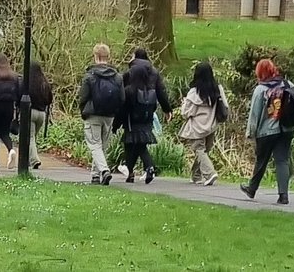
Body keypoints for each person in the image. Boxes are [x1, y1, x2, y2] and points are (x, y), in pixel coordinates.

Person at [241, 59, 294, 205]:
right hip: (286, 129)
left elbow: (254, 114)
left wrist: (250, 133)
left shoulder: (260, 90)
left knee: (261, 160)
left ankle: (252, 189)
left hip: (267, 131)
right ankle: (283, 195)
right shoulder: (287, 84)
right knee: (282, 161)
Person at [114, 53, 172, 184]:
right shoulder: (153, 74)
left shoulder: (129, 85)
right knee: (138, 143)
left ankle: (146, 167)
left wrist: (116, 124)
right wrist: (167, 109)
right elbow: (161, 92)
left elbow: (122, 105)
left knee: (134, 143)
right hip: (147, 114)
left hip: (132, 118)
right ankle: (131, 172)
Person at [78, 43, 125, 185]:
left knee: (95, 144)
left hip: (93, 114)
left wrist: (83, 111)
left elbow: (83, 97)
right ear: (108, 56)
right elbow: (122, 98)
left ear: (96, 56)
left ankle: (104, 171)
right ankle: (95, 175)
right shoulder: (117, 77)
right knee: (102, 146)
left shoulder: (90, 76)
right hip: (109, 115)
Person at [179, 61, 228, 186]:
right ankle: (196, 176)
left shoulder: (194, 92)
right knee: (203, 151)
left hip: (197, 126)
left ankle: (210, 174)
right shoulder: (218, 89)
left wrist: (183, 104)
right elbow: (225, 106)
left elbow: (185, 112)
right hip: (212, 125)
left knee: (199, 150)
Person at [24, 62, 54, 170]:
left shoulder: (27, 82)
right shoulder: (44, 83)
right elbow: (50, 99)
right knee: (33, 137)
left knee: (30, 137)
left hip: (30, 112)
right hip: (42, 114)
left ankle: (34, 160)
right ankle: (28, 159)